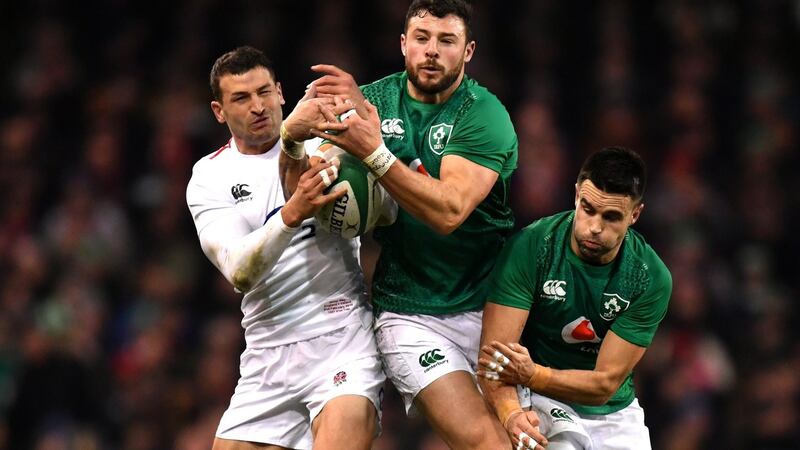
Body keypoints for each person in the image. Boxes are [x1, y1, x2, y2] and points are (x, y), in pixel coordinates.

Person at [305, 1, 530, 448]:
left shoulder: (482, 114)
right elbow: (301, 179)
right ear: (403, 43)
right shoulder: (369, 104)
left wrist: (375, 153)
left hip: (494, 307)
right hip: (410, 312)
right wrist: (296, 142)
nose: (432, 51)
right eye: (422, 38)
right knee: (490, 443)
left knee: (531, 439)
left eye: (447, 41)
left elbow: (449, 212)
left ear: (468, 51)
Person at [185, 46, 385, 450]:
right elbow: (239, 271)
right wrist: (294, 211)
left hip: (341, 340)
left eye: (264, 92)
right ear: (218, 111)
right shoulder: (210, 177)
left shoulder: (329, 145)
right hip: (267, 352)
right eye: (241, 98)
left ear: (281, 93)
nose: (257, 106)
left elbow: (388, 210)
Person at [477, 147, 672, 450]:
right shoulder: (532, 247)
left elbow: (604, 384)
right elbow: (495, 360)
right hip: (536, 396)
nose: (595, 227)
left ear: (635, 214)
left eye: (611, 217)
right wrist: (511, 414)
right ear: (577, 194)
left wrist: (535, 373)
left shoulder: (649, 277)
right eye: (588, 208)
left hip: (611, 410)